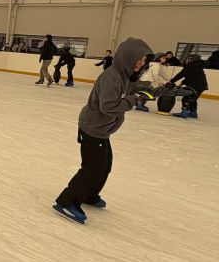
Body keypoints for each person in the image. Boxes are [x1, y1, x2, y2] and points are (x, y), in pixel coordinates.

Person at [53, 37, 153, 223]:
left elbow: (135, 87)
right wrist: (133, 100)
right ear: (128, 58)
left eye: (142, 63)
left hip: (102, 130)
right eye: (138, 62)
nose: (140, 66)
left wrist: (155, 89)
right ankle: (66, 202)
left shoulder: (124, 76)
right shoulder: (111, 77)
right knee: (92, 168)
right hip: (92, 128)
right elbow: (108, 106)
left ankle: (89, 195)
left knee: (104, 165)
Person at [170, 53, 208, 118]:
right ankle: (193, 112)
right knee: (193, 98)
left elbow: (181, 75)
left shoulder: (190, 66)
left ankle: (185, 112)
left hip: (194, 85)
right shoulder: (198, 66)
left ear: (193, 59)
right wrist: (181, 84)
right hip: (202, 86)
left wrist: (172, 81)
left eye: (189, 59)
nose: (187, 60)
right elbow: (191, 77)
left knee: (187, 98)